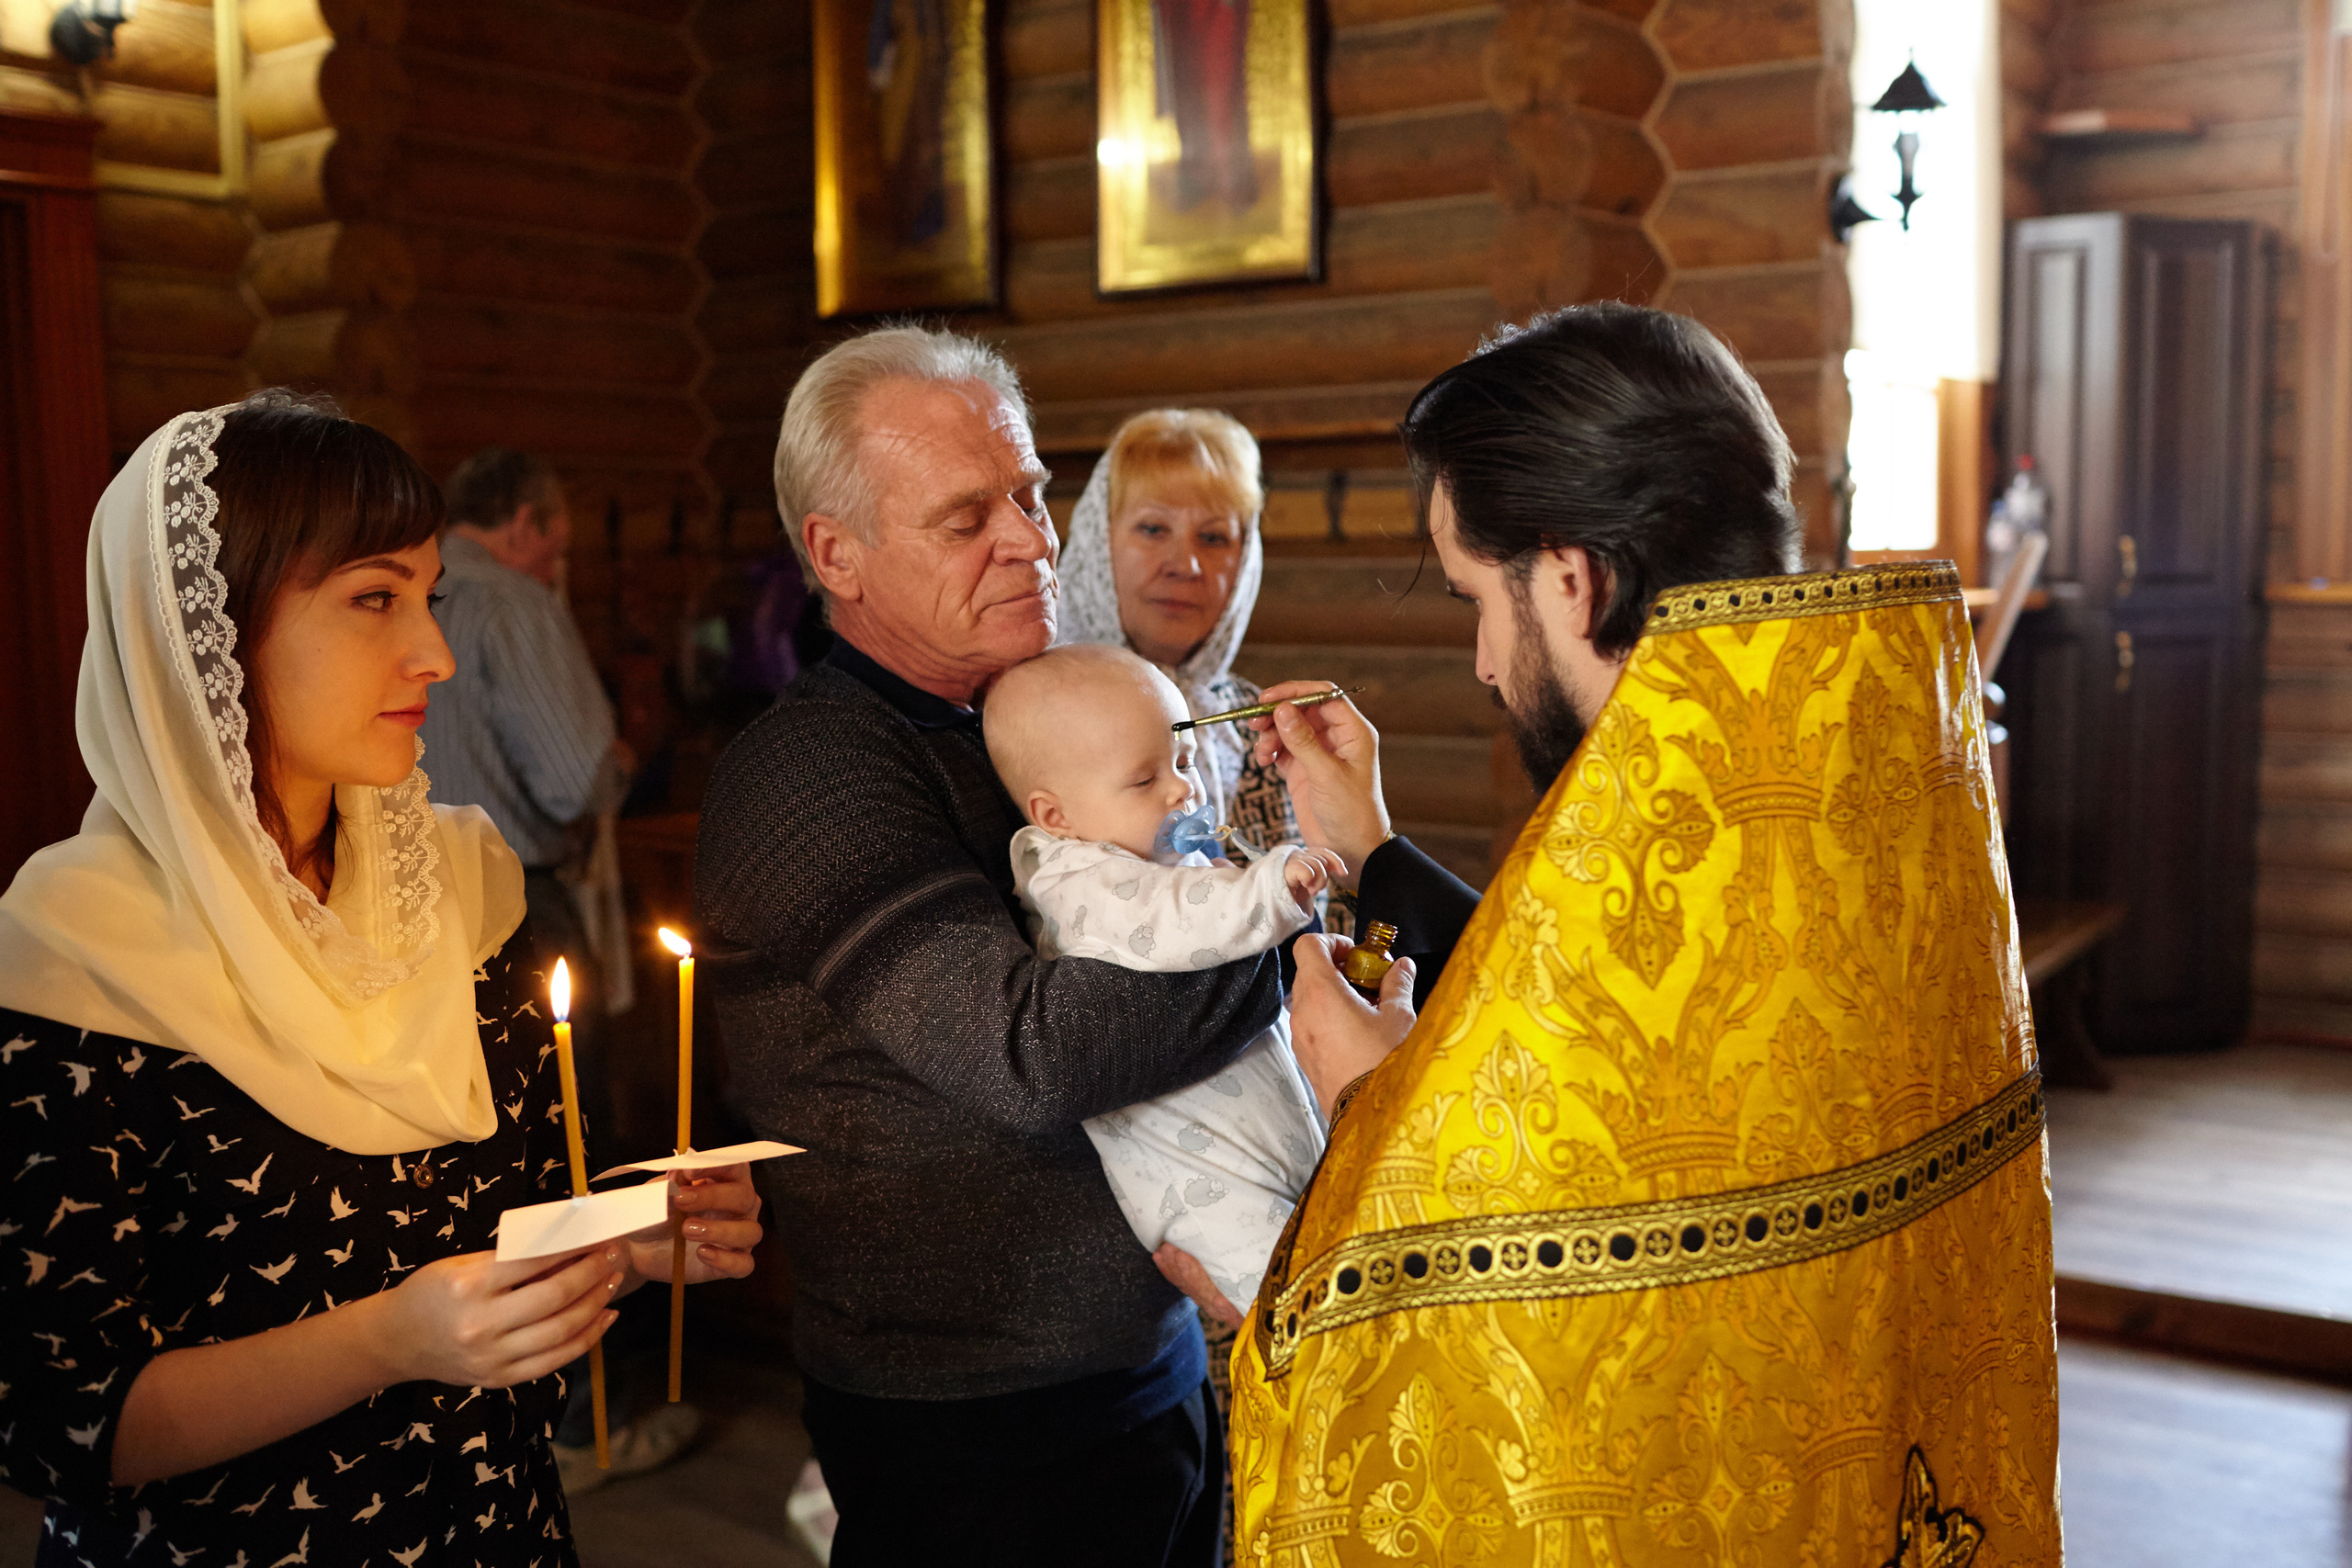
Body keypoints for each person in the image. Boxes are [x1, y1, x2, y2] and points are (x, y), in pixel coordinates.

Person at [1223, 305, 2064, 1563]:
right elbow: (1614, 1026)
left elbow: (1461, 1298)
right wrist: (1379, 854)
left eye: (1475, 599)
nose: (1481, 662)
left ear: (1572, 577)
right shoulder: (1852, 750)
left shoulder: (1668, 794)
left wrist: (1371, 1105)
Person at [0, 392, 764, 1564]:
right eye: (373, 600)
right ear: (206, 635)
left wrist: (631, 1235)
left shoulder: (455, 885)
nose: (437, 656)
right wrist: (390, 1342)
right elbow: (59, 1420)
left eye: (429, 597)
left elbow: (502, 1229)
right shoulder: (72, 957)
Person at [695, 325, 1279, 1566]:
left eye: (1031, 492)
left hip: (1145, 1361)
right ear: (836, 554)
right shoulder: (814, 769)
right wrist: (1272, 932)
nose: (1032, 537)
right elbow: (1031, 1053)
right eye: (968, 518)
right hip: (976, 1428)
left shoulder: (1033, 716)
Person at [416, 446, 677, 1486]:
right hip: (516, 906)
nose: (558, 562)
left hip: (405, 913)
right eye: (557, 543)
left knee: (473, 1154)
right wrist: (622, 759)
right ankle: (582, 1421)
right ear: (523, 525)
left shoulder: (414, 585)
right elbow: (574, 778)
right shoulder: (514, 606)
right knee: (565, 1147)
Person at [985, 643, 1339, 1308]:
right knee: (1309, 1316)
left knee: (1336, 1262)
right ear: (1054, 814)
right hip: (1205, 1185)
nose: (1184, 788)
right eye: (1145, 779)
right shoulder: (1076, 879)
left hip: (1270, 1136)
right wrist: (1269, 891)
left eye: (1181, 760)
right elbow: (1179, 921)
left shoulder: (1151, 853)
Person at [1056, 407, 1299, 861]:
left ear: (1245, 561)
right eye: (1153, 528)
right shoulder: (1033, 706)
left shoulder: (1255, 729)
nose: (1184, 564)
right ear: (1097, 540)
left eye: (1213, 539)